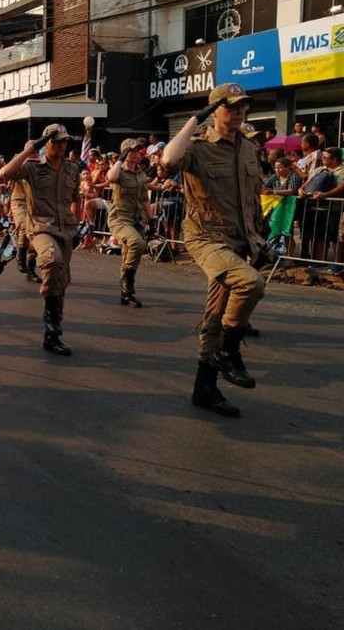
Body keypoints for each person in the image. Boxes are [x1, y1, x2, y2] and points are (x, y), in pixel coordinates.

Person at [161, 82, 265, 418]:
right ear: (214, 110)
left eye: (242, 106)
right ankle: (229, 352)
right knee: (251, 283)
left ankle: (204, 388)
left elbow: (252, 198)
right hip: (207, 238)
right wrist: (195, 119)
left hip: (238, 242)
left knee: (215, 318)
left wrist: (259, 238)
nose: (238, 112)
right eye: (231, 106)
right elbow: (168, 158)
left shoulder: (248, 148)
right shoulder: (198, 147)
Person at [0, 124, 81, 356]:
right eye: (57, 141)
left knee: (61, 280)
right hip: (41, 227)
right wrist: (30, 148)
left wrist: (78, 222)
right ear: (47, 143)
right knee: (52, 260)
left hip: (66, 229)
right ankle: (50, 318)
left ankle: (52, 332)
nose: (62, 145)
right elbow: (5, 173)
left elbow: (76, 198)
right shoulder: (33, 168)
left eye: (65, 141)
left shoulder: (73, 169)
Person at [106, 139, 155, 307]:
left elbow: (144, 199)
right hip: (120, 218)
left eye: (138, 150)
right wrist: (120, 159)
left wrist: (152, 220)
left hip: (137, 219)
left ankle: (125, 294)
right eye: (132, 151)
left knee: (129, 255)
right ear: (125, 153)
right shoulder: (119, 171)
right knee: (137, 244)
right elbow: (110, 178)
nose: (136, 153)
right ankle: (127, 282)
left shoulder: (141, 174)